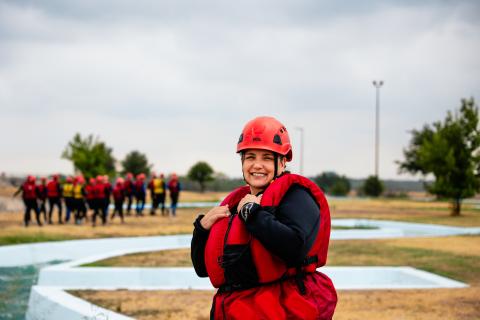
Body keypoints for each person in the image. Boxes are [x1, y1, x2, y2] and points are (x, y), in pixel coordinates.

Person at [191, 116, 337, 319]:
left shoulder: (296, 197)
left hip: (281, 308)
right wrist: (201, 230)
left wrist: (252, 214)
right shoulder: (236, 204)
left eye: (267, 158)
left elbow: (294, 247)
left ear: (283, 161)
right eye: (250, 157)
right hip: (235, 308)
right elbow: (203, 269)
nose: (257, 165)